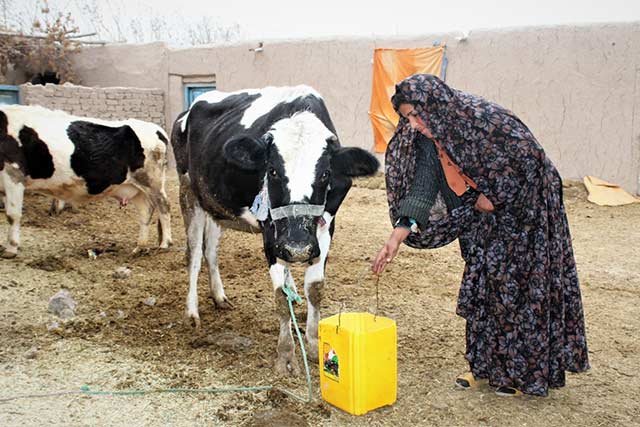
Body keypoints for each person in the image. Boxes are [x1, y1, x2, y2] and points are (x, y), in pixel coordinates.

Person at [372, 74, 589, 397]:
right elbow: (424, 184)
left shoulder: (483, 119)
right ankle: (484, 368)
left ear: (435, 108)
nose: (413, 125)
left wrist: (498, 194)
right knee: (483, 285)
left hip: (524, 219)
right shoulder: (432, 138)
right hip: (481, 219)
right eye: (407, 118)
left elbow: (529, 159)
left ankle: (518, 375)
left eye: (416, 116)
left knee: (517, 292)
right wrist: (399, 232)